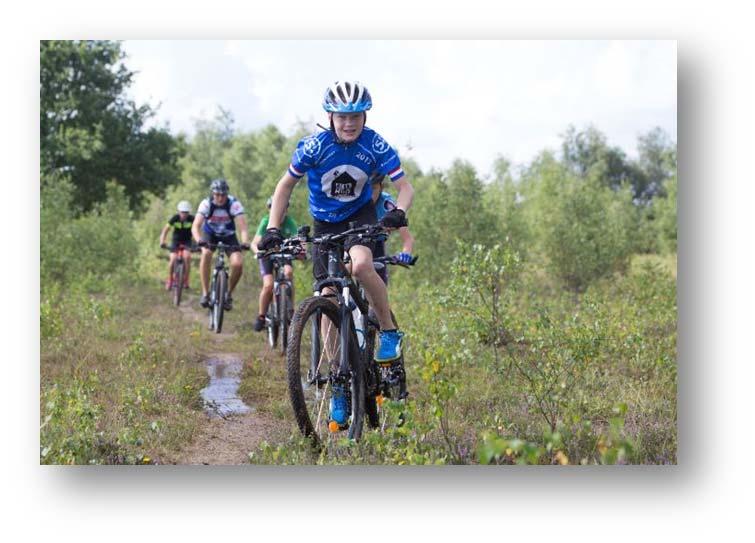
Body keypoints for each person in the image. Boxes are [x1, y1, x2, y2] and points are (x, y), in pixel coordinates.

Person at [258, 81, 414, 426]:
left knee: (360, 266)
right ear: (330, 116)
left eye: (355, 116)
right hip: (325, 223)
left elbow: (405, 187)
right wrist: (272, 228)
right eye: (343, 116)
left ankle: (388, 331)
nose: (349, 123)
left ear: (364, 116)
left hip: (360, 218)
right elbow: (285, 186)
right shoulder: (314, 146)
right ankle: (339, 383)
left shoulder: (374, 144)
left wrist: (398, 211)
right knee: (326, 299)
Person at [191, 179, 250, 310]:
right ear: (213, 193)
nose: (220, 197)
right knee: (206, 254)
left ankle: (228, 294)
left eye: (223, 195)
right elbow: (195, 226)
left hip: (229, 235)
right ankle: (205, 292)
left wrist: (245, 242)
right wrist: (199, 240)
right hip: (210, 234)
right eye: (217, 194)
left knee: (237, 263)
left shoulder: (234, 203)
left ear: (226, 194)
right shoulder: (206, 203)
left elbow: (243, 227)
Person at [251, 197, 300, 332]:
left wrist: (301, 251)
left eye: (284, 207)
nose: (280, 211)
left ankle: (290, 309)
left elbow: (299, 242)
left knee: (289, 272)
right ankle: (261, 316)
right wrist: (257, 252)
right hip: (267, 255)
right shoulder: (266, 221)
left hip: (284, 254)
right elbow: (254, 243)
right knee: (268, 285)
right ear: (270, 210)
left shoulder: (290, 222)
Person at [370, 175, 415, 285]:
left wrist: (406, 253)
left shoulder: (387, 204)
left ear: (381, 187)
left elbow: (407, 239)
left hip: (377, 245)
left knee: (379, 285)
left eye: (373, 189)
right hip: (351, 242)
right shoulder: (354, 201)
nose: (370, 195)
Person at [159, 200, 195, 290]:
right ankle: (170, 280)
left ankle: (186, 280)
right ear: (179, 212)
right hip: (176, 241)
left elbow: (197, 230)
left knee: (187, 257)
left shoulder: (192, 219)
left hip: (187, 241)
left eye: (186, 212)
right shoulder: (174, 218)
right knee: (173, 259)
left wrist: (199, 243)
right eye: (182, 212)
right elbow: (165, 230)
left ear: (189, 212)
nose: (184, 214)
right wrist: (162, 241)